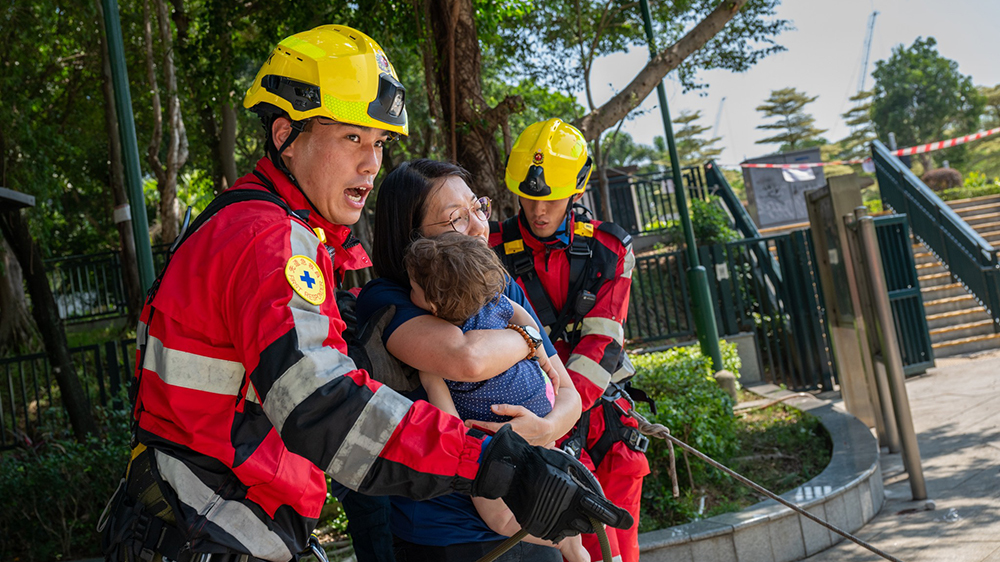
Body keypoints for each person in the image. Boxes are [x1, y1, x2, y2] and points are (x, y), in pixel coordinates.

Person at [99, 27, 628, 562]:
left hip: (200, 525)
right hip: (211, 528)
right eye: (351, 138)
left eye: (377, 143)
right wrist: (490, 461)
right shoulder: (270, 240)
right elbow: (324, 405)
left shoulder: (249, 223)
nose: (372, 163)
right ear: (285, 134)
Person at [356, 159, 588, 561]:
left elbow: (569, 393)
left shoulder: (499, 283)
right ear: (414, 240)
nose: (481, 226)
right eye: (456, 219)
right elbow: (468, 359)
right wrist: (530, 336)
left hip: (531, 508)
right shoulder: (390, 298)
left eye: (478, 207)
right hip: (449, 538)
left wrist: (543, 426)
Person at [488, 118, 650, 562]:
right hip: (531, 417)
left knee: (617, 549)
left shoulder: (610, 249)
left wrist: (562, 414)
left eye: (552, 199)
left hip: (601, 422)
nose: (539, 210)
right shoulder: (489, 248)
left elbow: (603, 342)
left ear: (577, 191)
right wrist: (548, 421)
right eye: (530, 197)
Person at [403, 233, 589, 562]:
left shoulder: (445, 345)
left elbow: (446, 411)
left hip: (496, 437)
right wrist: (542, 355)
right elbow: (524, 318)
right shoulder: (494, 303)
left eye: (413, 288)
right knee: (543, 477)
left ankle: (562, 539)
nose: (408, 292)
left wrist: (431, 382)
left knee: (500, 517)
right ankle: (570, 520)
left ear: (433, 305)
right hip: (538, 403)